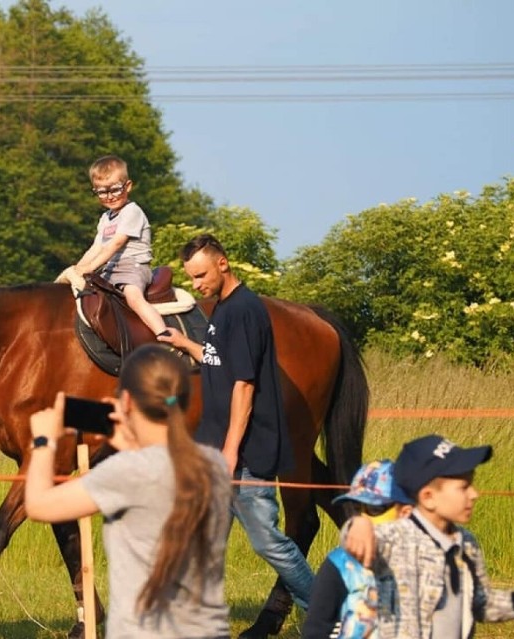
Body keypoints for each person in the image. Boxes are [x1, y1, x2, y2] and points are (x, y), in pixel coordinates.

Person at [158, 233, 313, 638]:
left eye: (202, 275)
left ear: (223, 263)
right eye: (191, 278)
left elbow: (243, 385)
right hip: (218, 451)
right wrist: (187, 344)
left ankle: (331, 614)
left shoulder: (242, 311)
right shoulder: (224, 311)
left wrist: (230, 452)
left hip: (243, 453)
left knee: (269, 543)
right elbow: (219, 361)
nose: (197, 285)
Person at [24, 344, 231, 639]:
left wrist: (44, 442)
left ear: (127, 401)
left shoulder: (125, 473)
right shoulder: (215, 466)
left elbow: (38, 505)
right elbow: (161, 473)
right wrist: (132, 446)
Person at [344, 435, 514, 638]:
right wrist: (357, 524)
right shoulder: (398, 536)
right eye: (464, 487)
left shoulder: (466, 544)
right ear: (428, 498)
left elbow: (481, 604)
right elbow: (354, 541)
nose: (474, 494)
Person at [302, 459, 414, 639]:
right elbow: (315, 630)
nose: (362, 518)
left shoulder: (426, 562)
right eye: (356, 508)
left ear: (406, 513)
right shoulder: (339, 566)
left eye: (374, 509)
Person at [62, 154, 169, 337]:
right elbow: (96, 248)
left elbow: (116, 243)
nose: (109, 196)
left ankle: (164, 334)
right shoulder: (105, 218)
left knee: (133, 298)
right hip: (109, 270)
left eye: (115, 189)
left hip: (133, 267)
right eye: (102, 191)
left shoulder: (132, 212)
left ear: (128, 186)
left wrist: (89, 267)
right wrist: (78, 268)